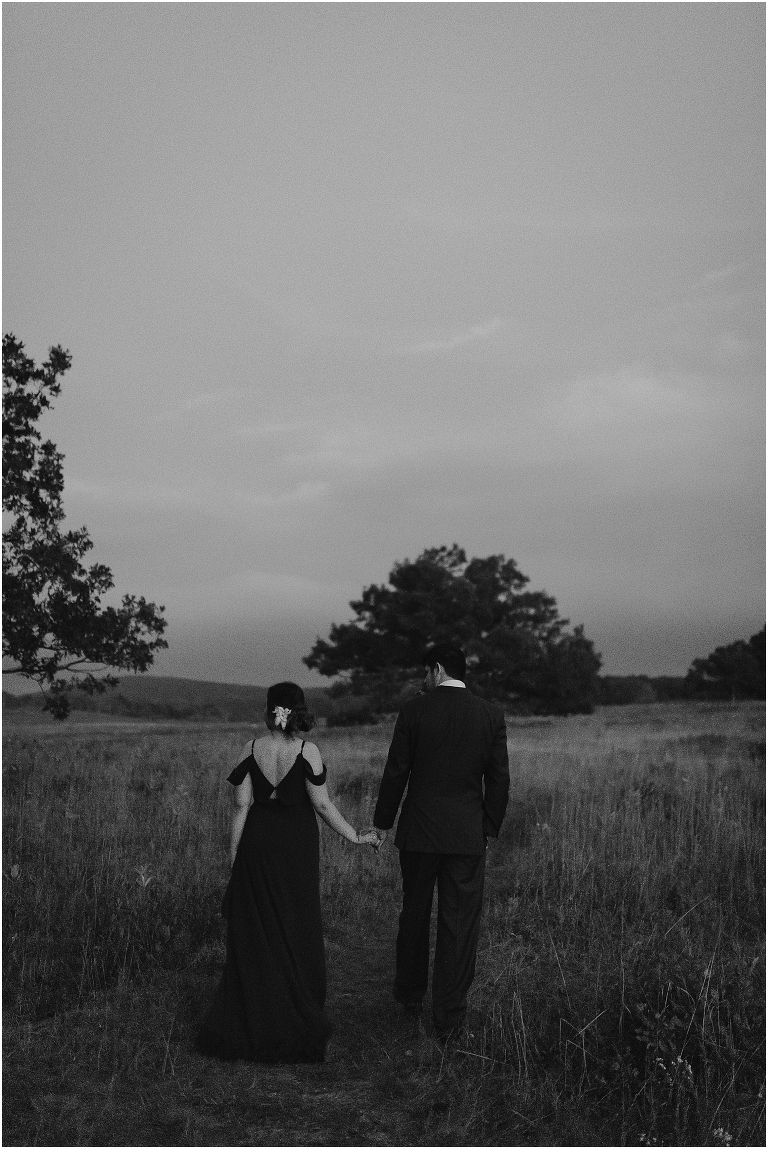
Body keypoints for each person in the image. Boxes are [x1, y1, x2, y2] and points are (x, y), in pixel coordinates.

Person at [197, 681, 377, 1062]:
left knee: (257, 930)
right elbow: (324, 807)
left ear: (269, 710)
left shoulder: (250, 748)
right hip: (295, 847)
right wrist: (355, 838)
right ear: (299, 710)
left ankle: (256, 1016)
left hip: (257, 845)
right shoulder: (307, 750)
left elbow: (241, 806)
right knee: (296, 925)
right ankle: (296, 1013)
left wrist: (234, 856)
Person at [369, 643, 510, 1040]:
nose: (422, 679)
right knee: (460, 923)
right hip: (466, 835)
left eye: (425, 671)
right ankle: (449, 1016)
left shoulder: (414, 710)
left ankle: (410, 995)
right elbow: (499, 778)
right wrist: (487, 827)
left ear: (438, 668)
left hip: (419, 832)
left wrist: (383, 823)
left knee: (414, 913)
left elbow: (396, 770)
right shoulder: (489, 714)